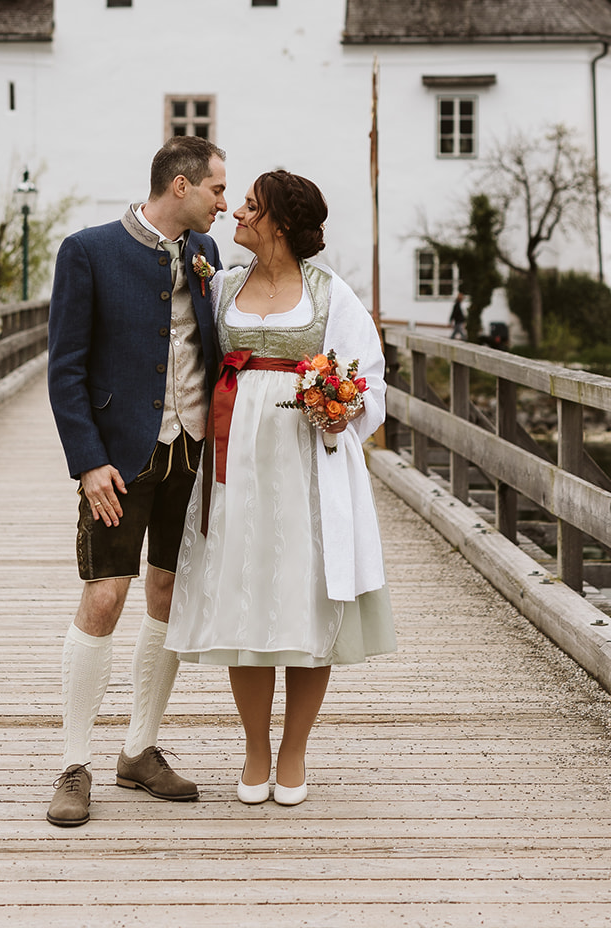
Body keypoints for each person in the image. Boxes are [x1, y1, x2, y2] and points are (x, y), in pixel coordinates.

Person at [166, 169, 396, 806]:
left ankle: (293, 749)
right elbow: (186, 356)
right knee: (244, 599)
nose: (236, 213)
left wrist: (344, 405)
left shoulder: (331, 295)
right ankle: (254, 747)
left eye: (250, 207)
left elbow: (368, 379)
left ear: (281, 225)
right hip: (236, 460)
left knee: (305, 599)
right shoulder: (223, 289)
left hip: (306, 465)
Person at [45, 137, 226, 827]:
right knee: (104, 595)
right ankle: (73, 763)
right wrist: (87, 460)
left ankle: (139, 749)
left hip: (190, 453)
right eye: (216, 188)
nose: (223, 200)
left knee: (168, 591)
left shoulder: (207, 258)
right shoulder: (87, 250)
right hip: (119, 457)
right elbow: (65, 367)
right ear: (179, 186)